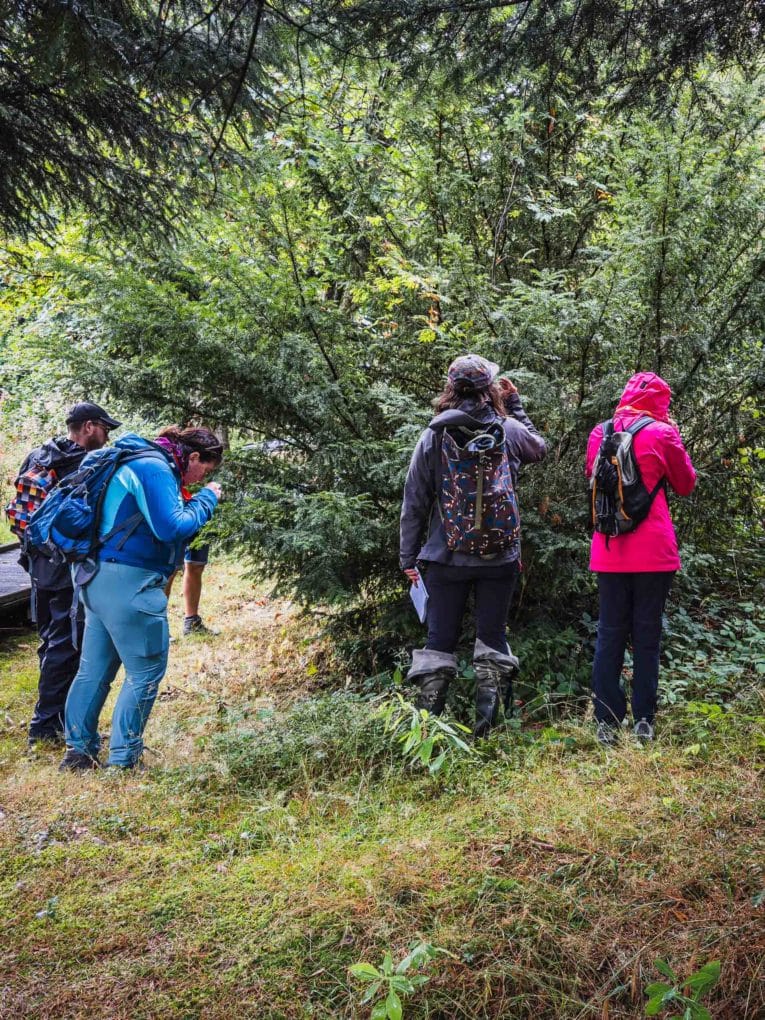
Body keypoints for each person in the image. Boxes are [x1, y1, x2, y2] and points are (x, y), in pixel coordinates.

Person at [59, 426, 223, 771]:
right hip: (130, 583)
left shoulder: (135, 458)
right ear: (193, 457)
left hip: (97, 576)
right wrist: (208, 497)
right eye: (204, 470)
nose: (198, 478)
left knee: (93, 670)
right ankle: (123, 761)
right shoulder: (154, 467)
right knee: (145, 672)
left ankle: (78, 752)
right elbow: (171, 527)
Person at [400, 354, 546, 737]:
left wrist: (408, 557)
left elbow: (415, 500)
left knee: (439, 642)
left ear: (451, 388)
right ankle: (486, 732)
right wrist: (515, 406)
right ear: (490, 389)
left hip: (444, 557)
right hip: (500, 557)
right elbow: (539, 449)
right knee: (492, 639)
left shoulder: (433, 434)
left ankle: (429, 731)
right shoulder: (508, 428)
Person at [586, 372, 696, 745]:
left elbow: (594, 479)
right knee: (647, 636)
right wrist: (672, 434)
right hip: (654, 552)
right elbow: (686, 483)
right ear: (661, 403)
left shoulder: (599, 432)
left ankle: (606, 721)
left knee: (609, 634)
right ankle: (644, 721)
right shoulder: (663, 433)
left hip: (608, 549)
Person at [14, 402, 121, 747]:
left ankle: (50, 721)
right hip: (66, 569)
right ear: (89, 426)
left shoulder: (39, 455)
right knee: (68, 646)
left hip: (38, 566)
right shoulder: (84, 463)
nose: (107, 436)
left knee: (50, 641)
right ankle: (46, 727)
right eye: (105, 428)